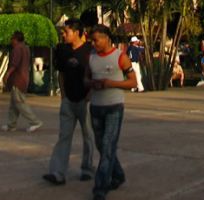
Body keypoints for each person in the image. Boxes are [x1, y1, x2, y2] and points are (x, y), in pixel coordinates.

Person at [87, 25, 137, 200]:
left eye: (97, 40)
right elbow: (86, 78)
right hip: (95, 107)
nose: (94, 43)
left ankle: (100, 187)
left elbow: (133, 82)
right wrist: (92, 84)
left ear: (107, 38)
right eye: (92, 40)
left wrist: (111, 83)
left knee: (108, 145)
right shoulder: (91, 57)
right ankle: (118, 174)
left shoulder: (120, 57)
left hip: (114, 107)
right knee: (102, 146)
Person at [43, 19, 94, 185]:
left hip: (86, 100)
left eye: (67, 32)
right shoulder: (63, 50)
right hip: (68, 101)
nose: (63, 35)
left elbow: (96, 74)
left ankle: (87, 169)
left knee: (89, 136)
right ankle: (57, 172)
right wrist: (63, 95)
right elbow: (61, 73)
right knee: (63, 136)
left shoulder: (90, 51)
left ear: (78, 33)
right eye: (63, 32)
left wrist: (90, 95)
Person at [2, 31, 42, 133]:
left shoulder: (17, 49)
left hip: (18, 79)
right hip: (24, 78)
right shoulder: (26, 48)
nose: (11, 41)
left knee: (20, 103)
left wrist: (7, 75)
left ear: (16, 39)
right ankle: (11, 124)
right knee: (14, 103)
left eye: (12, 39)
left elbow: (14, 64)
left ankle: (35, 121)